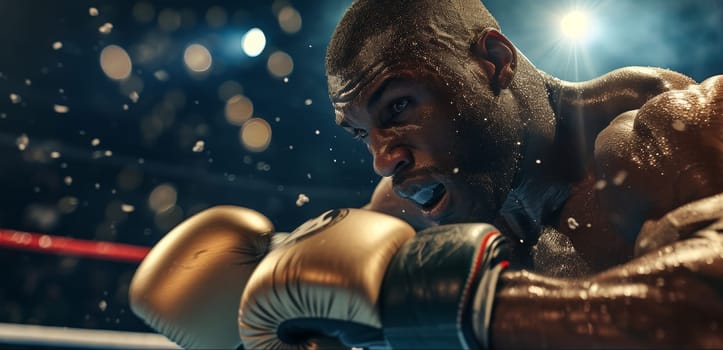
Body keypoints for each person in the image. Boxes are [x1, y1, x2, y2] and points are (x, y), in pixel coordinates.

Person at [130, 1, 723, 349]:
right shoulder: (407, 208)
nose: (384, 158)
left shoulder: (668, 137)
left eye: (399, 108)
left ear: (493, 62)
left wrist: (481, 303)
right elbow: (325, 289)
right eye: (363, 132)